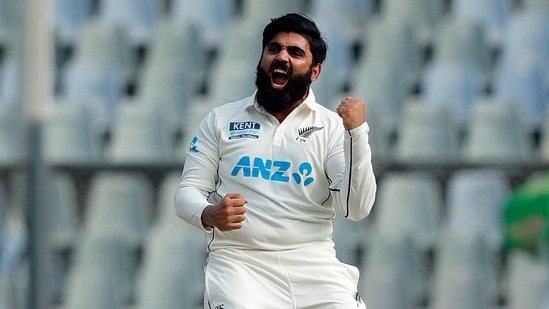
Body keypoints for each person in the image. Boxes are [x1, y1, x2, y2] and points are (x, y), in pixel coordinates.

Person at [175, 13, 377, 309]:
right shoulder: (221, 120)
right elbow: (185, 194)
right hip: (240, 264)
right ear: (262, 59)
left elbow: (356, 208)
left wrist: (357, 134)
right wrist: (208, 213)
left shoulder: (332, 128)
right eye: (273, 49)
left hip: (313, 264)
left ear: (315, 71)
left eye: (295, 52)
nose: (281, 56)